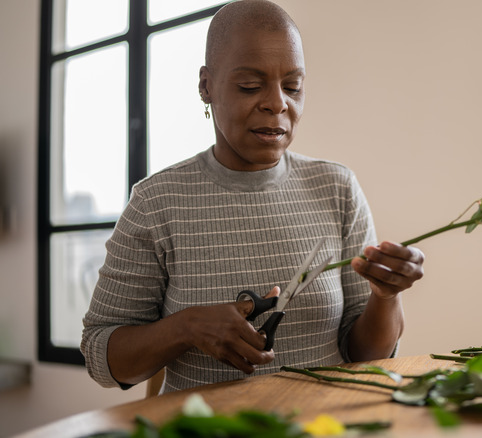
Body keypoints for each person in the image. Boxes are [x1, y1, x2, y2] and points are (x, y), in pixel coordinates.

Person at [81, 0, 424, 394]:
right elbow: (100, 359)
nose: (278, 103)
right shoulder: (157, 202)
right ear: (206, 86)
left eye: (293, 86)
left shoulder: (338, 188)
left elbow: (367, 357)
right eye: (250, 86)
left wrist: (385, 296)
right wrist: (185, 328)